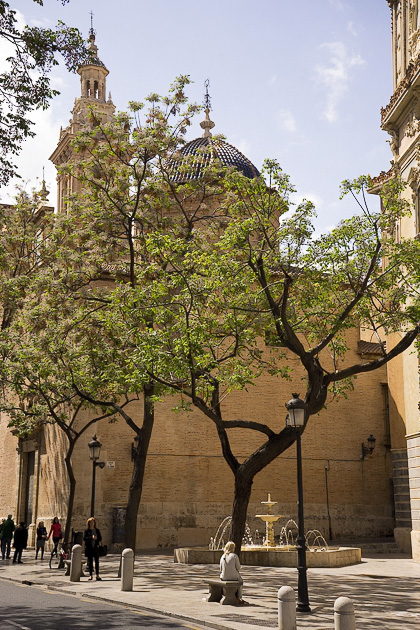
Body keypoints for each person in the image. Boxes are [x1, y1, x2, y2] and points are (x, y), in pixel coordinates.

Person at [83, 517, 102, 581]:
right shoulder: (86, 530)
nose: (92, 524)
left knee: (97, 562)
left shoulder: (97, 530)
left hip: (96, 547)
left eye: (93, 522)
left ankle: (97, 575)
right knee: (90, 562)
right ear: (88, 523)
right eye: (90, 523)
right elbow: (84, 538)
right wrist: (91, 537)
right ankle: (91, 575)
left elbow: (100, 538)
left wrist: (97, 538)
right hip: (89, 547)